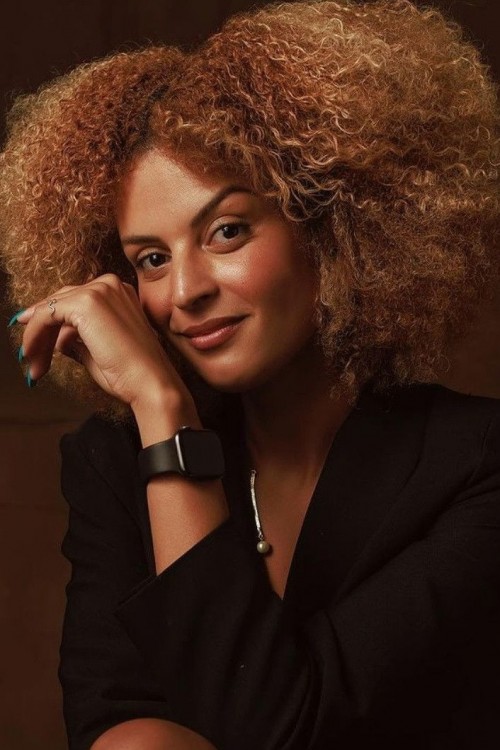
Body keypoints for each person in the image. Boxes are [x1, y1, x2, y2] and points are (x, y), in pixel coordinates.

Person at [1, 0, 499, 748]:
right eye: (151, 259)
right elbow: (118, 721)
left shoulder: (476, 466)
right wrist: (162, 415)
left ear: (330, 225)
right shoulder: (112, 463)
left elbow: (277, 726)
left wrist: (167, 415)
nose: (184, 291)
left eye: (227, 231)